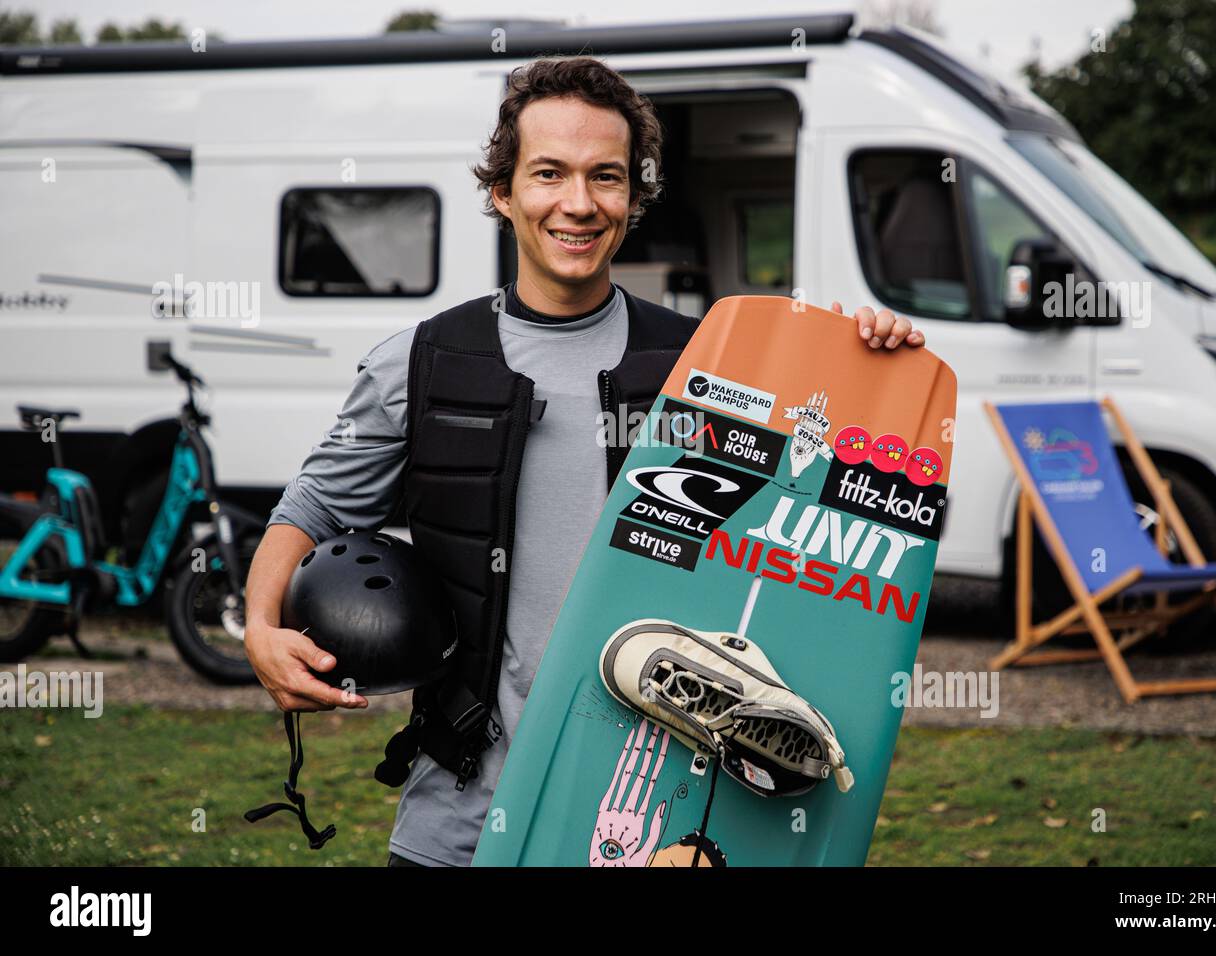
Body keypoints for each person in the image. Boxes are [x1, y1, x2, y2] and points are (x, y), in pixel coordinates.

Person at [243, 55, 926, 867]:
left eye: (606, 177)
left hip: (646, 827)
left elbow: (824, 498)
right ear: (502, 191)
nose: (578, 203)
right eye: (548, 174)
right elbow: (312, 508)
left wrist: (874, 362)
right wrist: (259, 628)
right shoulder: (420, 362)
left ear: (634, 198)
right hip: (457, 830)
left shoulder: (711, 367)